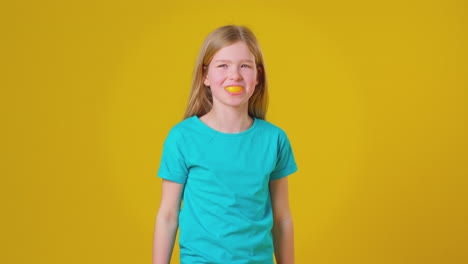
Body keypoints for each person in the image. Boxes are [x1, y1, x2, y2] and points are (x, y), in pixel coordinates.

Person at [153, 25, 298, 264]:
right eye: (223, 65)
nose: (235, 75)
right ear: (205, 76)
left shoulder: (274, 139)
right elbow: (168, 215)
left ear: (258, 76)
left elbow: (282, 218)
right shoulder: (182, 137)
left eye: (245, 66)